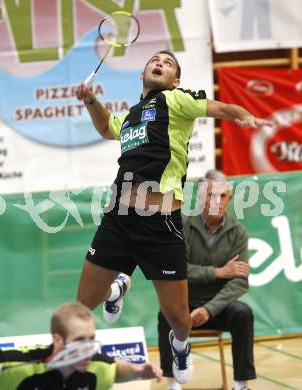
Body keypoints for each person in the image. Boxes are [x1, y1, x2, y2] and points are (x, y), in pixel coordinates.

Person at [75, 50, 268, 385]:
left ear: (175, 80)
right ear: (142, 73)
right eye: (154, 60)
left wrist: (241, 114)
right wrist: (91, 99)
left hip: (159, 226)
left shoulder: (176, 100)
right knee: (80, 308)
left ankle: (180, 345)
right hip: (118, 220)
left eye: (167, 63)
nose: (159, 63)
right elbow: (108, 128)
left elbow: (218, 108)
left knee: (179, 319)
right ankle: (114, 291)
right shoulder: (134, 115)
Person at [158, 170, 256, 390]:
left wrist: (209, 309)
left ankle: (241, 385)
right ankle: (172, 384)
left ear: (229, 199)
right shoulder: (181, 225)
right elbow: (177, 269)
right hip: (185, 304)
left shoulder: (238, 232)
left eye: (222, 196)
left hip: (218, 307)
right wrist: (218, 272)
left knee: (243, 314)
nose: (216, 201)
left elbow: (240, 281)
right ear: (200, 198)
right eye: (211, 195)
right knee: (166, 314)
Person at [0, 301, 162, 390]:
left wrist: (138, 371)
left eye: (91, 339)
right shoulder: (20, 365)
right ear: (58, 340)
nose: (88, 349)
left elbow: (113, 371)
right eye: (79, 341)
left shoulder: (95, 366)